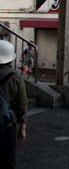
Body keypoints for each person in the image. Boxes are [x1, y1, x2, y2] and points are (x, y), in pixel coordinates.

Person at [0, 40, 28, 169]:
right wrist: (22, 126)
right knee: (8, 159)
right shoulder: (15, 77)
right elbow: (22, 104)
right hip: (6, 123)